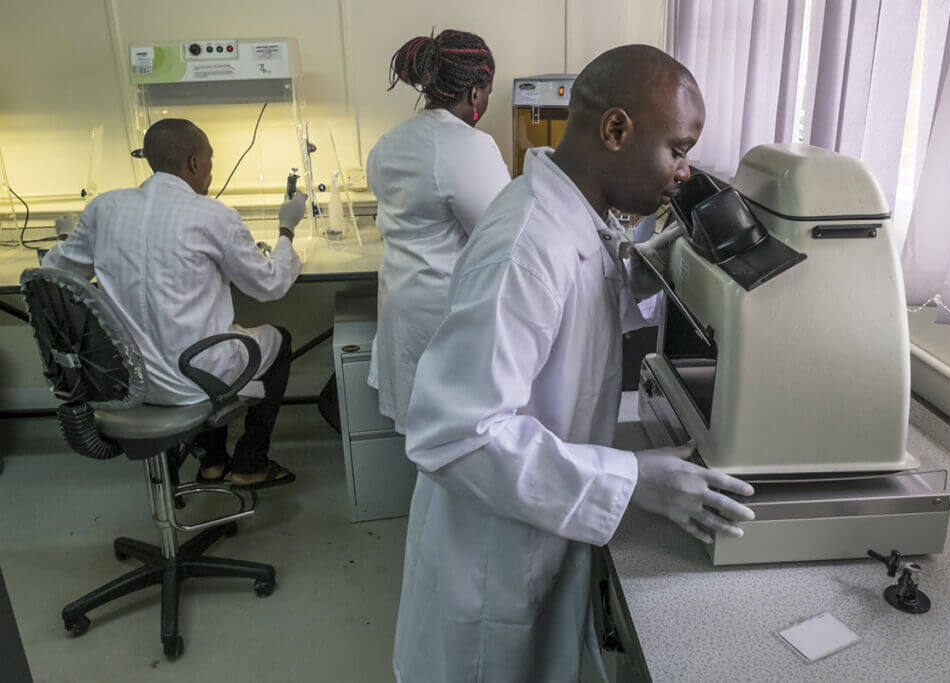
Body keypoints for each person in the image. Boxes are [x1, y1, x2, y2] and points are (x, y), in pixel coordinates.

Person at [392, 45, 757, 681]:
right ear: (616, 129)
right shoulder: (527, 246)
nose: (684, 171)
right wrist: (632, 480)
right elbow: (454, 437)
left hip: (533, 536)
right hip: (489, 564)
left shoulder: (578, 223)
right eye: (677, 149)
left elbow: (601, 308)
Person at [43, 118, 306, 489]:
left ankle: (213, 461)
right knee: (277, 340)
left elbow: (57, 270)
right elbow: (270, 285)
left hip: (126, 381)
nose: (211, 171)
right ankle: (250, 463)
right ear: (195, 163)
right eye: (210, 161)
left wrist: (66, 236)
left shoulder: (104, 210)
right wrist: (286, 230)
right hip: (191, 382)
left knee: (215, 337)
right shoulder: (214, 216)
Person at [366, 29, 510, 434]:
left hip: (402, 305)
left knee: (426, 438)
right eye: (488, 90)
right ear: (475, 93)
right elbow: (502, 235)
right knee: (456, 443)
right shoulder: (466, 146)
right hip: (443, 316)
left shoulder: (388, 143)